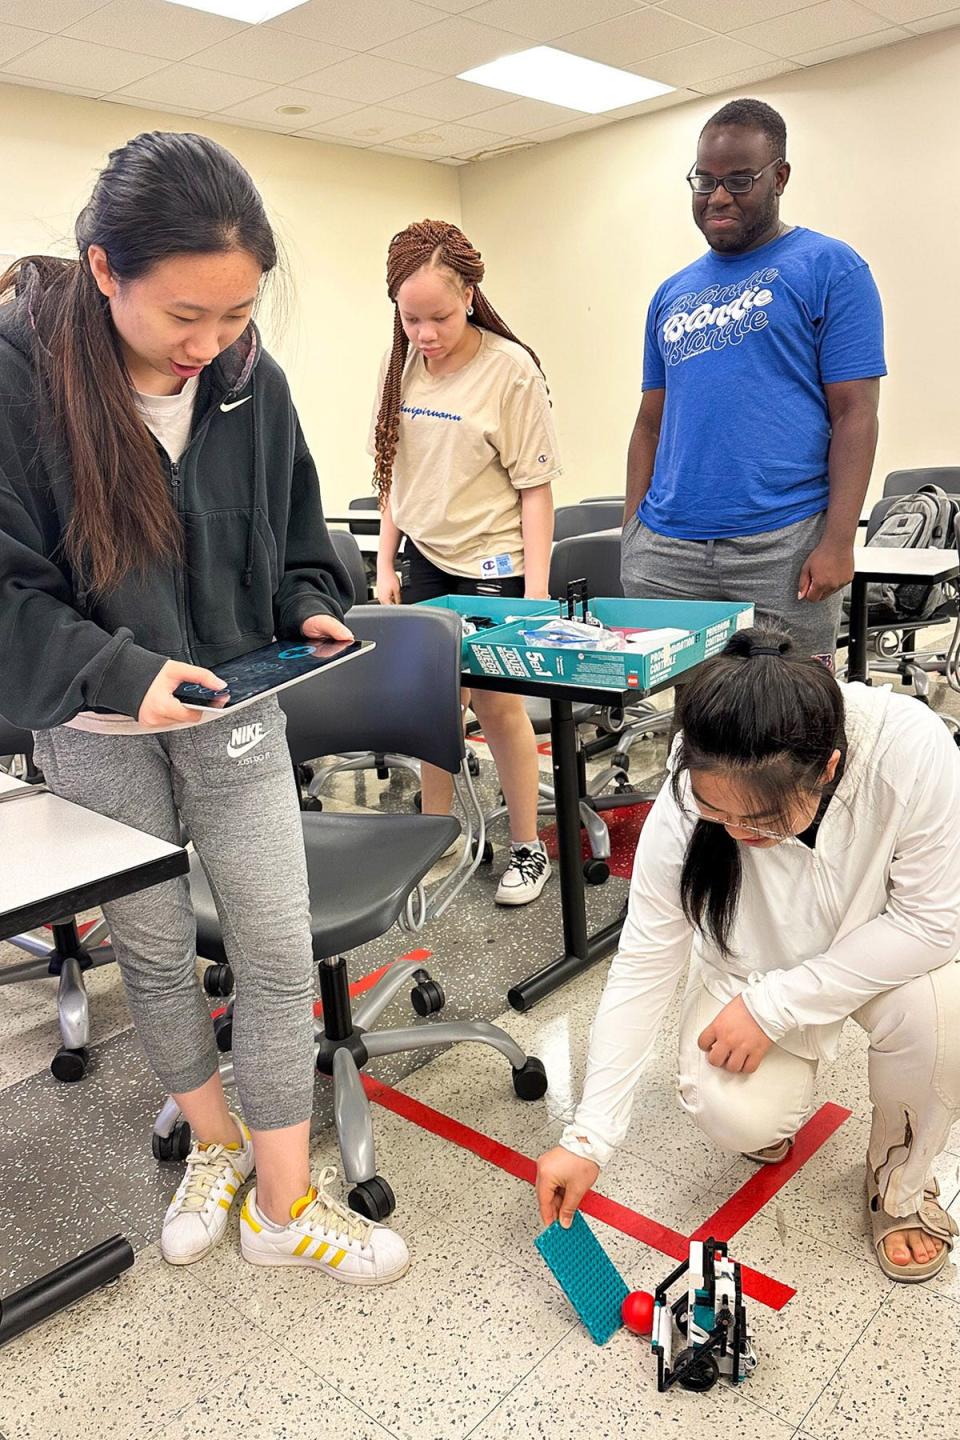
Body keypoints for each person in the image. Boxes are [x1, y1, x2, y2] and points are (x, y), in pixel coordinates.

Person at [0, 131, 409, 1285]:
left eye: (235, 315)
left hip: (233, 704)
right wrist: (122, 676)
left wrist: (311, 602)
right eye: (186, 315)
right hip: (96, 728)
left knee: (277, 950)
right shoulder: (17, 380)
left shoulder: (245, 380)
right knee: (155, 955)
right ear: (102, 269)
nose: (210, 345)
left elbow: (291, 534)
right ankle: (216, 1149)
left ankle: (285, 1201)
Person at [536, 629, 960, 1282]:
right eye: (718, 817)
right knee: (731, 1110)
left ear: (827, 768)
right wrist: (588, 1136)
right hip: (752, 963)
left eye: (760, 822)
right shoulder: (702, 764)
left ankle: (897, 1181)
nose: (737, 835)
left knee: (942, 1020)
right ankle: (777, 1103)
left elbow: (932, 924)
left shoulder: (910, 746)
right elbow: (648, 957)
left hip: (880, 956)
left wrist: (774, 1008)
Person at [622, 98, 886, 667]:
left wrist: (839, 540)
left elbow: (855, 415)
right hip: (666, 552)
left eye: (739, 180)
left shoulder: (831, 269)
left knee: (789, 733)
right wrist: (632, 530)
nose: (718, 197)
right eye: (704, 180)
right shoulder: (670, 293)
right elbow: (650, 421)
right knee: (693, 725)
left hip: (782, 547)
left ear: (780, 177)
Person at [371, 219, 558, 906]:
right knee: (432, 707)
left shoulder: (509, 370)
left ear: (472, 296)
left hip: (492, 562)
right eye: (410, 318)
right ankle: (436, 832)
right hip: (427, 559)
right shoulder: (401, 369)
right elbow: (389, 473)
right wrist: (386, 563)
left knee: (497, 704)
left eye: (439, 317)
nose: (425, 333)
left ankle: (527, 846)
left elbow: (535, 488)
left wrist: (534, 590)